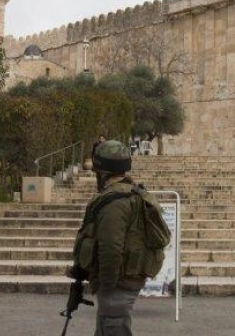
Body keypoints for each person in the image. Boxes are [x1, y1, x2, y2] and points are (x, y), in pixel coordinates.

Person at [69, 140, 157, 336]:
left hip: (117, 282)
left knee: (113, 327)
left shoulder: (114, 203)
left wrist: (107, 287)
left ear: (103, 170)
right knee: (106, 327)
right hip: (123, 277)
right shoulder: (126, 194)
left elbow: (111, 248)